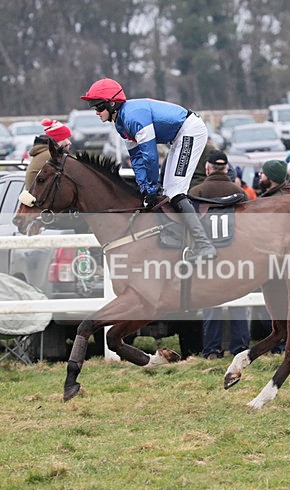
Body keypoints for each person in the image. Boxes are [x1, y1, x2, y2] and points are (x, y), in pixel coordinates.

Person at [80, 77, 217, 262]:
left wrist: (151, 188)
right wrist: (145, 187)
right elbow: (136, 158)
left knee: (175, 191)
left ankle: (204, 245)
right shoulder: (121, 124)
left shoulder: (132, 118)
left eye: (97, 106)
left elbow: (151, 157)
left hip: (190, 130)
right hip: (179, 135)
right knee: (168, 191)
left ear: (112, 103)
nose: (96, 112)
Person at [188, 150, 250, 359]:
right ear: (226, 169)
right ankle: (240, 348)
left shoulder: (197, 192)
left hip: (208, 256)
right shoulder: (239, 192)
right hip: (235, 255)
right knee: (238, 300)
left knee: (211, 302)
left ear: (208, 168)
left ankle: (212, 349)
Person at [25, 118, 72, 190]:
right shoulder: (52, 156)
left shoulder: (44, 154)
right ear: (58, 140)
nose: (69, 142)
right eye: (66, 138)